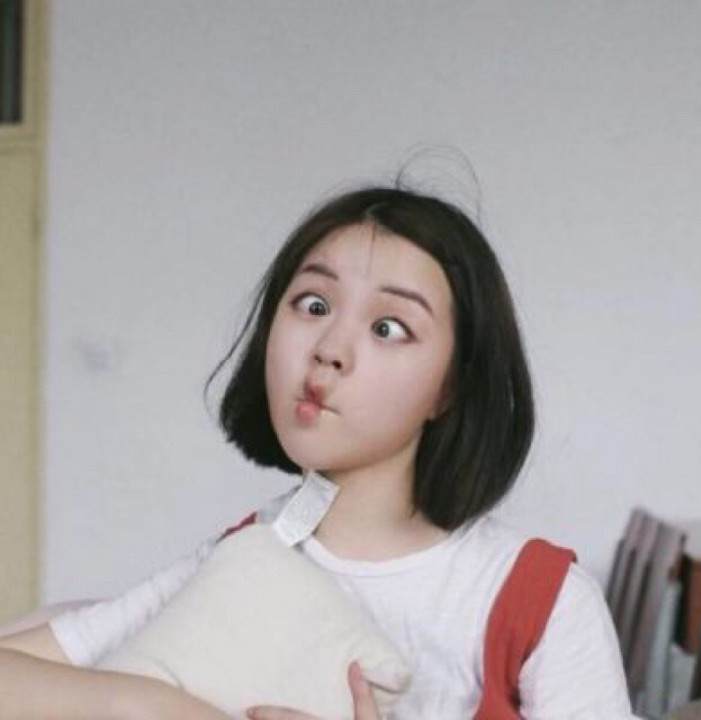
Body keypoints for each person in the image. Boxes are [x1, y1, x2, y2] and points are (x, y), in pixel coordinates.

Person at [0, 186, 635, 719]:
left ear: (449, 388)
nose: (330, 348)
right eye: (314, 304)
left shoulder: (541, 601)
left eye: (388, 327)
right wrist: (153, 707)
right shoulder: (243, 558)